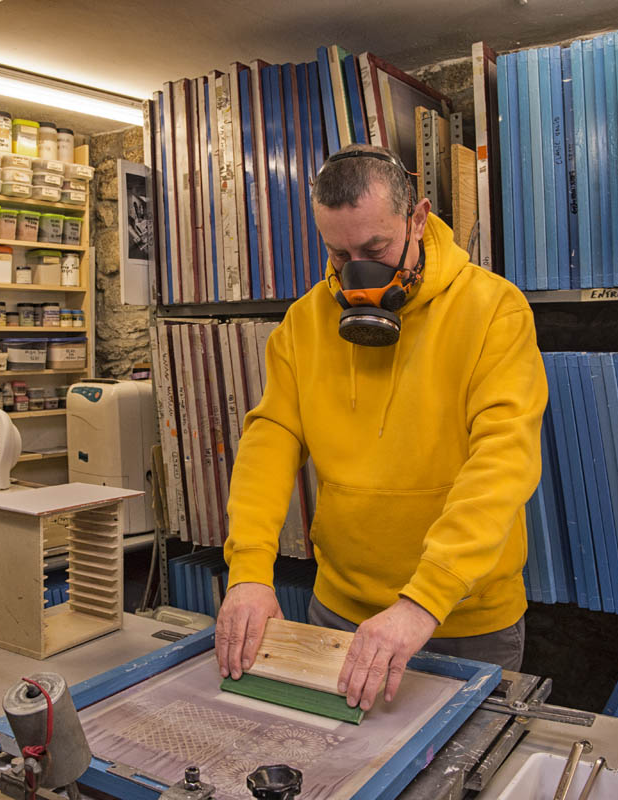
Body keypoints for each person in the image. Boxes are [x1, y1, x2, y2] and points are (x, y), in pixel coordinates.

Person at [215, 143, 548, 711]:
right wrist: (248, 571)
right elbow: (268, 443)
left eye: (376, 248)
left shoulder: (495, 310)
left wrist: (424, 601)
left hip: (464, 618)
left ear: (417, 218)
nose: (358, 273)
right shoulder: (303, 323)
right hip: (339, 607)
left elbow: (504, 461)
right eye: (339, 255)